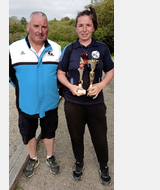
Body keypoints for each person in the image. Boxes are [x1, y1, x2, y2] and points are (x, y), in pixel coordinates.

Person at [57, 6, 114, 185]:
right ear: (76, 28)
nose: (84, 29)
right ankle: (79, 162)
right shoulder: (70, 49)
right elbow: (60, 73)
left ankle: (103, 165)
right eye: (80, 25)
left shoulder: (102, 48)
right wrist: (70, 87)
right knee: (76, 136)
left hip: (96, 103)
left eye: (88, 25)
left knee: (100, 137)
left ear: (94, 27)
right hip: (73, 103)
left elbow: (111, 70)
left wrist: (101, 84)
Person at [9, 11, 62, 178]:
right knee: (28, 133)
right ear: (28, 27)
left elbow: (61, 75)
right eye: (36, 26)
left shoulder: (57, 49)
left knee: (49, 132)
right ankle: (33, 158)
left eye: (44, 26)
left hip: (50, 103)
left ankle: (49, 156)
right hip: (26, 104)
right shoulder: (13, 49)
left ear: (48, 28)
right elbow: (11, 75)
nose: (40, 30)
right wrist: (25, 88)